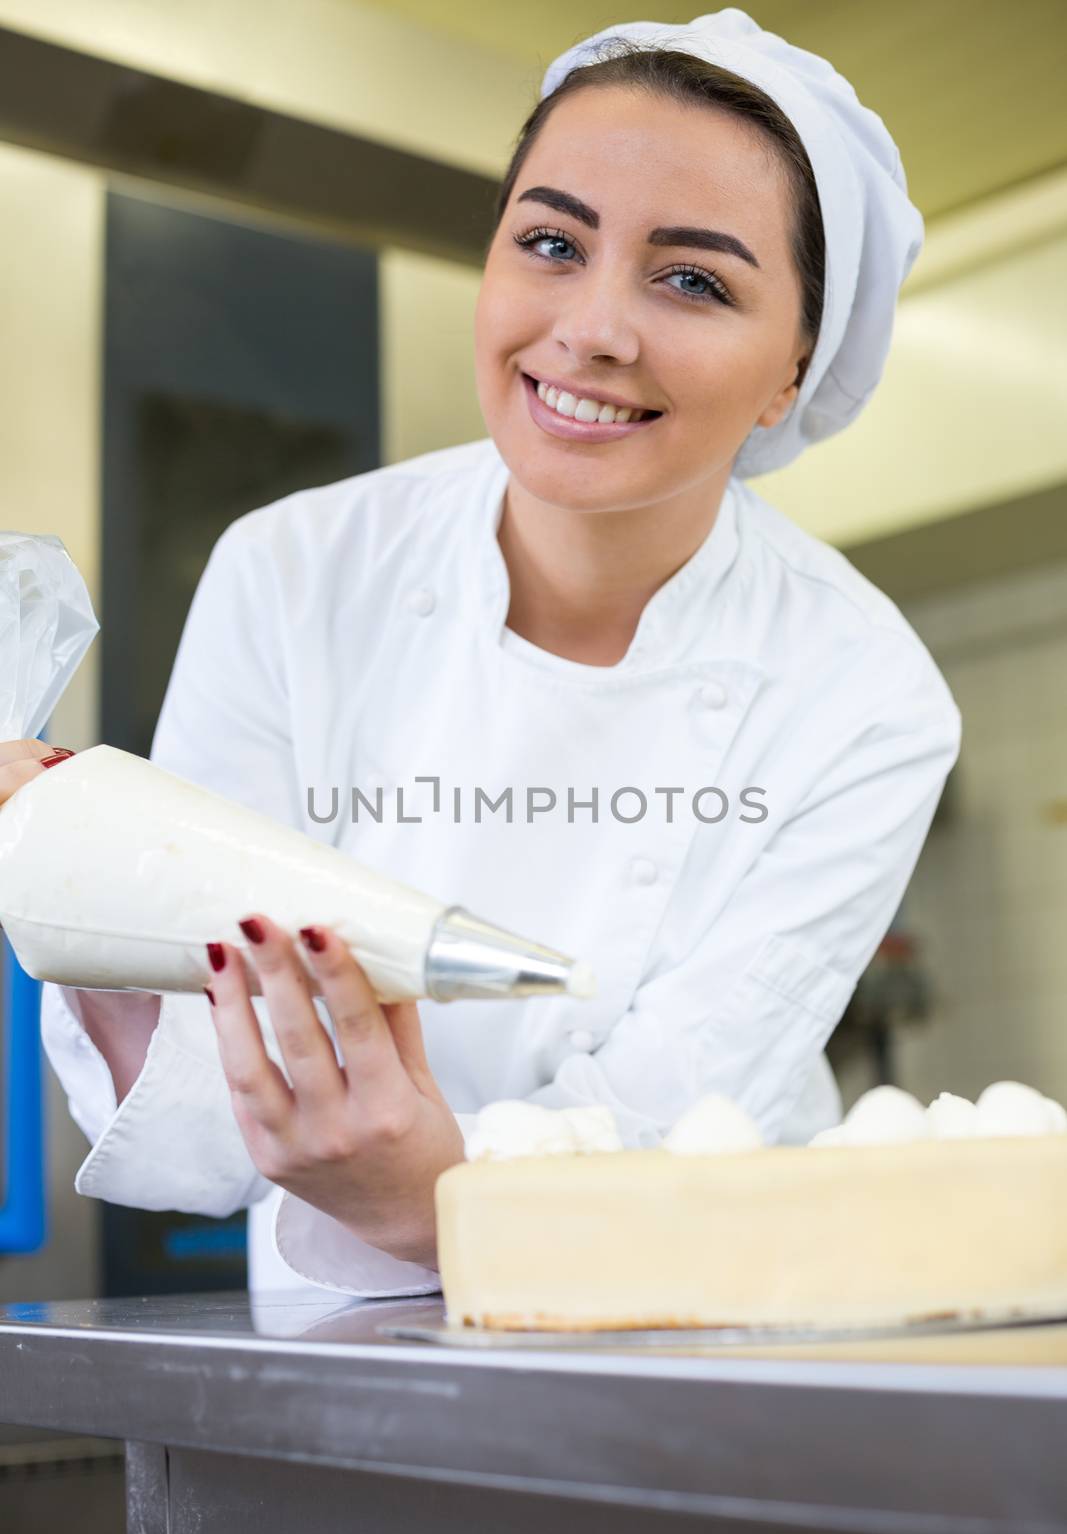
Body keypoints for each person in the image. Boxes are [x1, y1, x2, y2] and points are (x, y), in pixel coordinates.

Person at [1, 11, 960, 1298]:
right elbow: (206, 1067)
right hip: (328, 1332)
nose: (591, 329)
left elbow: (681, 1122)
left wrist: (432, 1195)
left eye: (692, 279)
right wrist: (76, 879)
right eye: (551, 243)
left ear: (793, 368)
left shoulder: (866, 697)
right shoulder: (294, 570)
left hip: (669, 1319)